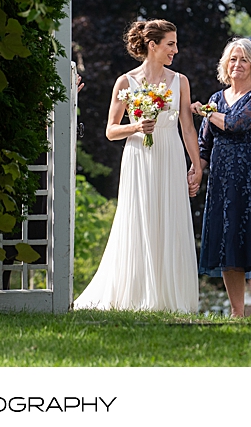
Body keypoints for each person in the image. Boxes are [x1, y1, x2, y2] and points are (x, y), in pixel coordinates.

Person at [74, 19, 201, 312]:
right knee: (140, 218)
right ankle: (137, 296)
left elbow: (188, 127)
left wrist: (196, 165)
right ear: (152, 45)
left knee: (170, 218)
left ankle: (171, 299)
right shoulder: (125, 82)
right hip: (139, 157)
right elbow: (110, 130)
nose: (176, 50)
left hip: (170, 153)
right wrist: (136, 127)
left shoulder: (180, 81)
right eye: (170, 44)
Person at [191, 38, 251, 318]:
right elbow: (204, 145)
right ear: (225, 64)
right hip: (223, 181)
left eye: (243, 59)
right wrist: (196, 171)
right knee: (228, 243)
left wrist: (207, 113)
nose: (237, 65)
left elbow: (237, 124)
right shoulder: (216, 99)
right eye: (233, 59)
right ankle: (237, 312)